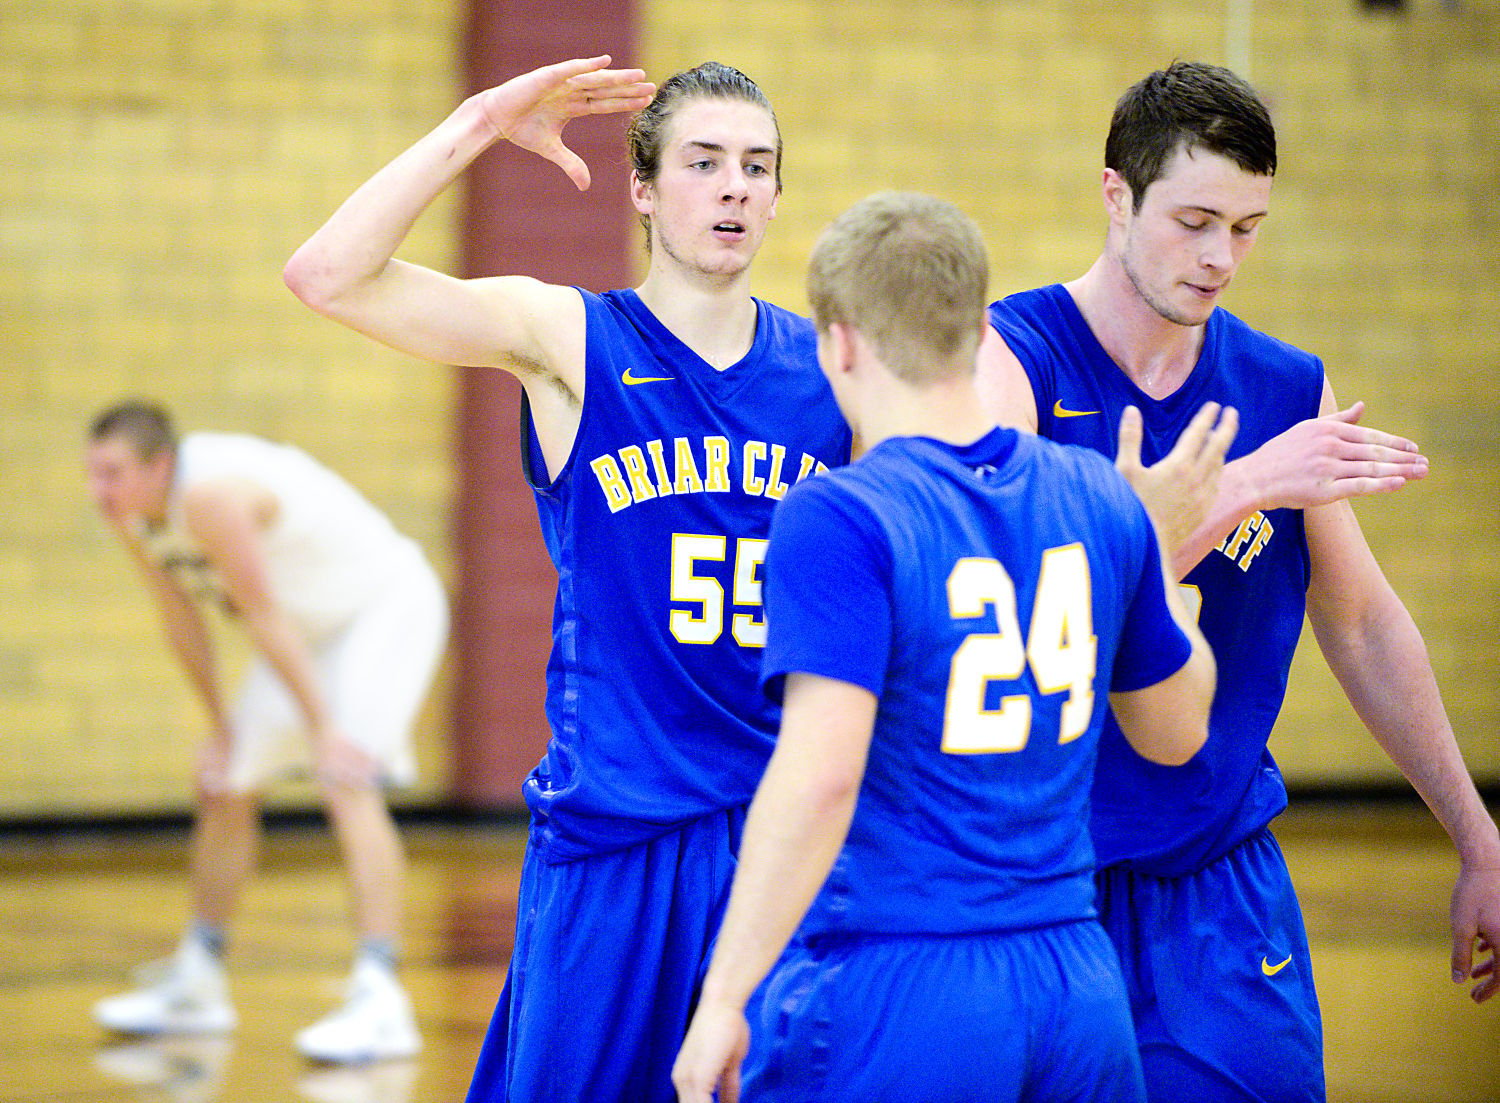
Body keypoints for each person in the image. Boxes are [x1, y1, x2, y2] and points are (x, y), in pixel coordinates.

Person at [282, 57, 852, 1102]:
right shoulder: (572, 340)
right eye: (704, 162)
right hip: (614, 837)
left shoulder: (835, 372)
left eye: (757, 166)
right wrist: (477, 124)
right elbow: (328, 275)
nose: (734, 186)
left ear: (777, 194)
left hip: (779, 840)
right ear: (642, 188)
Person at [977, 61, 1500, 1101]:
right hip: (1040, 880)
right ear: (1116, 195)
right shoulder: (1011, 359)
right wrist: (1251, 482)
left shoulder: (1285, 386)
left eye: (1248, 227)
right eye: (1196, 220)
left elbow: (1362, 624)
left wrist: (1477, 835)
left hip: (1219, 885)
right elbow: (1043, 598)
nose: (1221, 257)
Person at [672, 191, 1233, 1103]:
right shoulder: (1099, 498)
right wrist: (1161, 560)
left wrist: (725, 995)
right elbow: (1177, 732)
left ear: (839, 343)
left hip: (904, 981)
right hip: (1076, 983)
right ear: (978, 329)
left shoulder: (843, 512)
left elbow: (819, 776)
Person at [85, 400, 448, 1063]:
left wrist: (325, 729)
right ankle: (199, 979)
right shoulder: (138, 516)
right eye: (93, 473)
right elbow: (182, 621)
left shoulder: (211, 495)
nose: (98, 491)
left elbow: (261, 613)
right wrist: (221, 727)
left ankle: (381, 993)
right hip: (307, 633)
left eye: (111, 473)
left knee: (346, 777)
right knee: (225, 784)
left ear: (158, 465)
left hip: (383, 608)